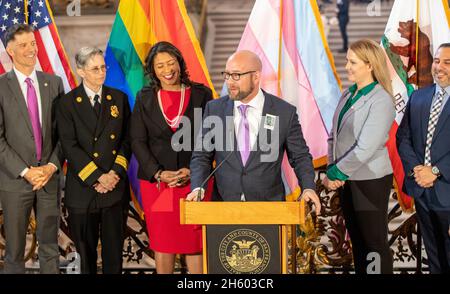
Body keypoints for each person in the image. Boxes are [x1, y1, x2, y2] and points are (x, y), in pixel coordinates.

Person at [186, 50, 321, 215]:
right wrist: (198, 187)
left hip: (269, 208)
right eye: (227, 75)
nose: (229, 82)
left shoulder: (284, 112)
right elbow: (201, 155)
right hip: (224, 208)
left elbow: (300, 156)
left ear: (256, 77)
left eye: (236, 75)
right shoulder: (214, 109)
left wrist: (307, 187)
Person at [130, 41, 213, 274]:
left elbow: (212, 136)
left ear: (180, 63)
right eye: (160, 66)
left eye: (171, 62)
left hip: (195, 183)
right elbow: (137, 140)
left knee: (194, 244)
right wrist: (159, 173)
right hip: (158, 185)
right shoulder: (145, 97)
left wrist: (192, 170)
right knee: (164, 243)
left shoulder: (201, 94)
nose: (167, 70)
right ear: (153, 70)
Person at [322, 39, 395, 274]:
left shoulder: (381, 99)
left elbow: (365, 147)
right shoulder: (347, 94)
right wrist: (332, 167)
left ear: (370, 65)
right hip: (348, 180)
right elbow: (334, 135)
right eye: (347, 61)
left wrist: (335, 173)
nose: (347, 66)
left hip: (370, 180)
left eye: (352, 62)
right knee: (358, 243)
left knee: (374, 244)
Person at [57, 47, 131, 274]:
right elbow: (69, 145)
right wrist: (98, 177)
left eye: (103, 67)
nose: (101, 72)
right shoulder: (67, 103)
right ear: (81, 71)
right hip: (82, 190)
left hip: (114, 188)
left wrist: (113, 175)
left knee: (113, 256)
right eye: (95, 68)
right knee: (84, 257)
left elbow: (127, 140)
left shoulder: (118, 98)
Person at [0, 24, 64, 274]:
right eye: (24, 45)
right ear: (10, 50)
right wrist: (26, 171)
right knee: (14, 251)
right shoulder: (1, 86)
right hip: (15, 181)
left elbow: (64, 135)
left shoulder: (54, 83)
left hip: (48, 178)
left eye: (33, 43)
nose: (31, 49)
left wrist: (50, 167)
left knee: (50, 248)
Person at [396, 43, 450, 274]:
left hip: (447, 191)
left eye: (447, 62)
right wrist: (417, 169)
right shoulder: (418, 96)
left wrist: (436, 171)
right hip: (423, 192)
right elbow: (403, 137)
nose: (439, 67)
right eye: (437, 61)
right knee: (435, 259)